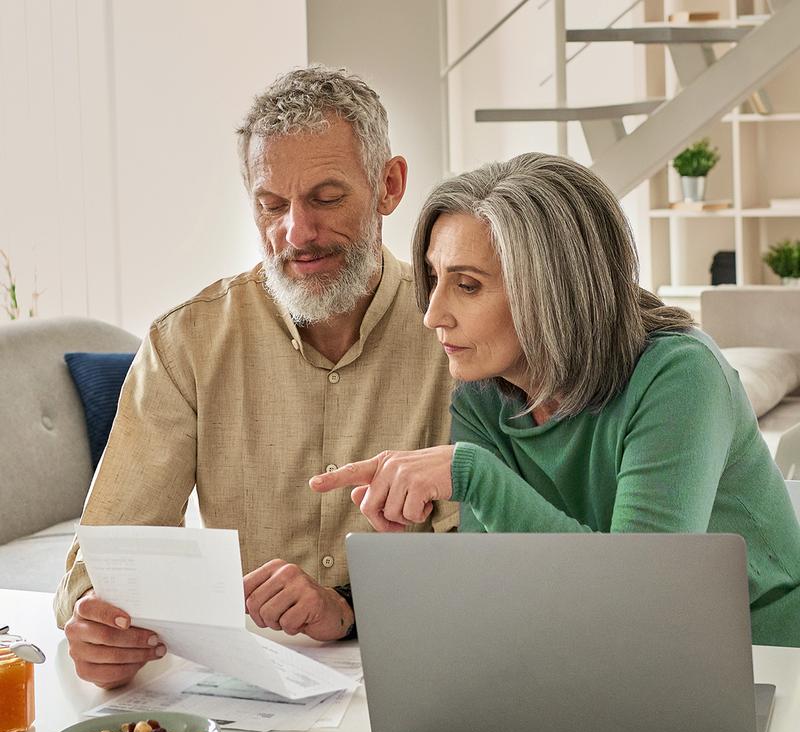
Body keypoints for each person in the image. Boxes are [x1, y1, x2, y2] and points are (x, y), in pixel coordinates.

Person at [55, 66, 457, 688]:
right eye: (272, 205)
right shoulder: (186, 341)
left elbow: (488, 562)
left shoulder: (457, 334)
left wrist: (348, 609)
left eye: (325, 199)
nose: (295, 233)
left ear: (389, 185)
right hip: (244, 689)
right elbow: (103, 557)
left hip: (423, 668)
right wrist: (96, 625)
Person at [312, 152, 800, 648]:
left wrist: (474, 477)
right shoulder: (481, 400)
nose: (433, 315)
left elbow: (640, 598)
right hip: (596, 661)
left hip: (763, 662)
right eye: (435, 279)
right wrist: (417, 571)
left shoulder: (680, 375)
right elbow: (508, 593)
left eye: (468, 285)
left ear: (551, 288)